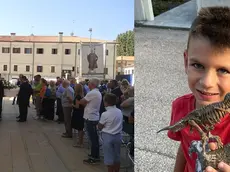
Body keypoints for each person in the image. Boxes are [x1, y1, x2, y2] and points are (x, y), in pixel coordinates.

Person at [166, 7, 230, 172]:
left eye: (223, 70)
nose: (207, 82)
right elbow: (184, 145)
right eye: (198, 65)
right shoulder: (180, 106)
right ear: (186, 62)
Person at [76, 78, 102, 164]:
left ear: (93, 84)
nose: (88, 85)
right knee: (94, 138)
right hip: (92, 117)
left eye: (89, 84)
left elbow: (82, 102)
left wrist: (81, 100)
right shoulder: (96, 92)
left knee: (93, 139)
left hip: (91, 118)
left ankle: (94, 157)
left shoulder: (92, 93)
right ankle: (95, 155)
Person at [98, 93, 123, 172]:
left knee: (109, 158)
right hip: (118, 136)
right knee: (117, 156)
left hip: (108, 136)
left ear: (106, 102)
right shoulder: (119, 111)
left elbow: (100, 126)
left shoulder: (105, 114)